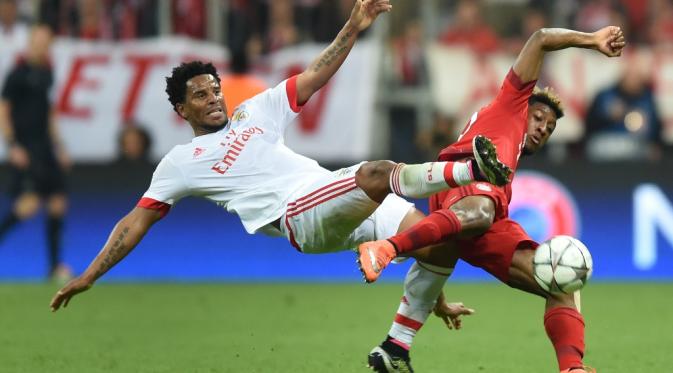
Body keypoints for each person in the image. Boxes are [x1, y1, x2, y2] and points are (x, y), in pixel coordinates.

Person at [49, 0, 506, 331]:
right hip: (300, 218)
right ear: (181, 111)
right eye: (200, 96)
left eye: (214, 90)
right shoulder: (180, 163)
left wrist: (353, 26)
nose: (213, 100)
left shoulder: (255, 112)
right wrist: (89, 275)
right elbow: (135, 221)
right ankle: (469, 170)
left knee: (438, 246)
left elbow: (314, 75)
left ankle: (395, 346)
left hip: (335, 199)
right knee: (374, 172)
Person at [359, 26, 626, 373]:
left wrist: (437, 297)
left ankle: (572, 367)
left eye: (550, 127)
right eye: (539, 117)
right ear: (524, 106)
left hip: (484, 215)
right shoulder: (510, 104)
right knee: (481, 209)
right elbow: (542, 37)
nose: (543, 127)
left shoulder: (507, 172)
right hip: (461, 179)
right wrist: (591, 40)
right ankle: (387, 248)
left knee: (562, 281)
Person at [0, 25, 72, 281]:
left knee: (57, 203)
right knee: (28, 205)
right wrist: (12, 145)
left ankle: (54, 267)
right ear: (29, 44)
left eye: (46, 42)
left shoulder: (47, 72)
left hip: (45, 148)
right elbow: (4, 110)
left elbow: (48, 112)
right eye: (37, 42)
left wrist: (59, 146)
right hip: (27, 148)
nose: (41, 46)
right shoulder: (17, 75)